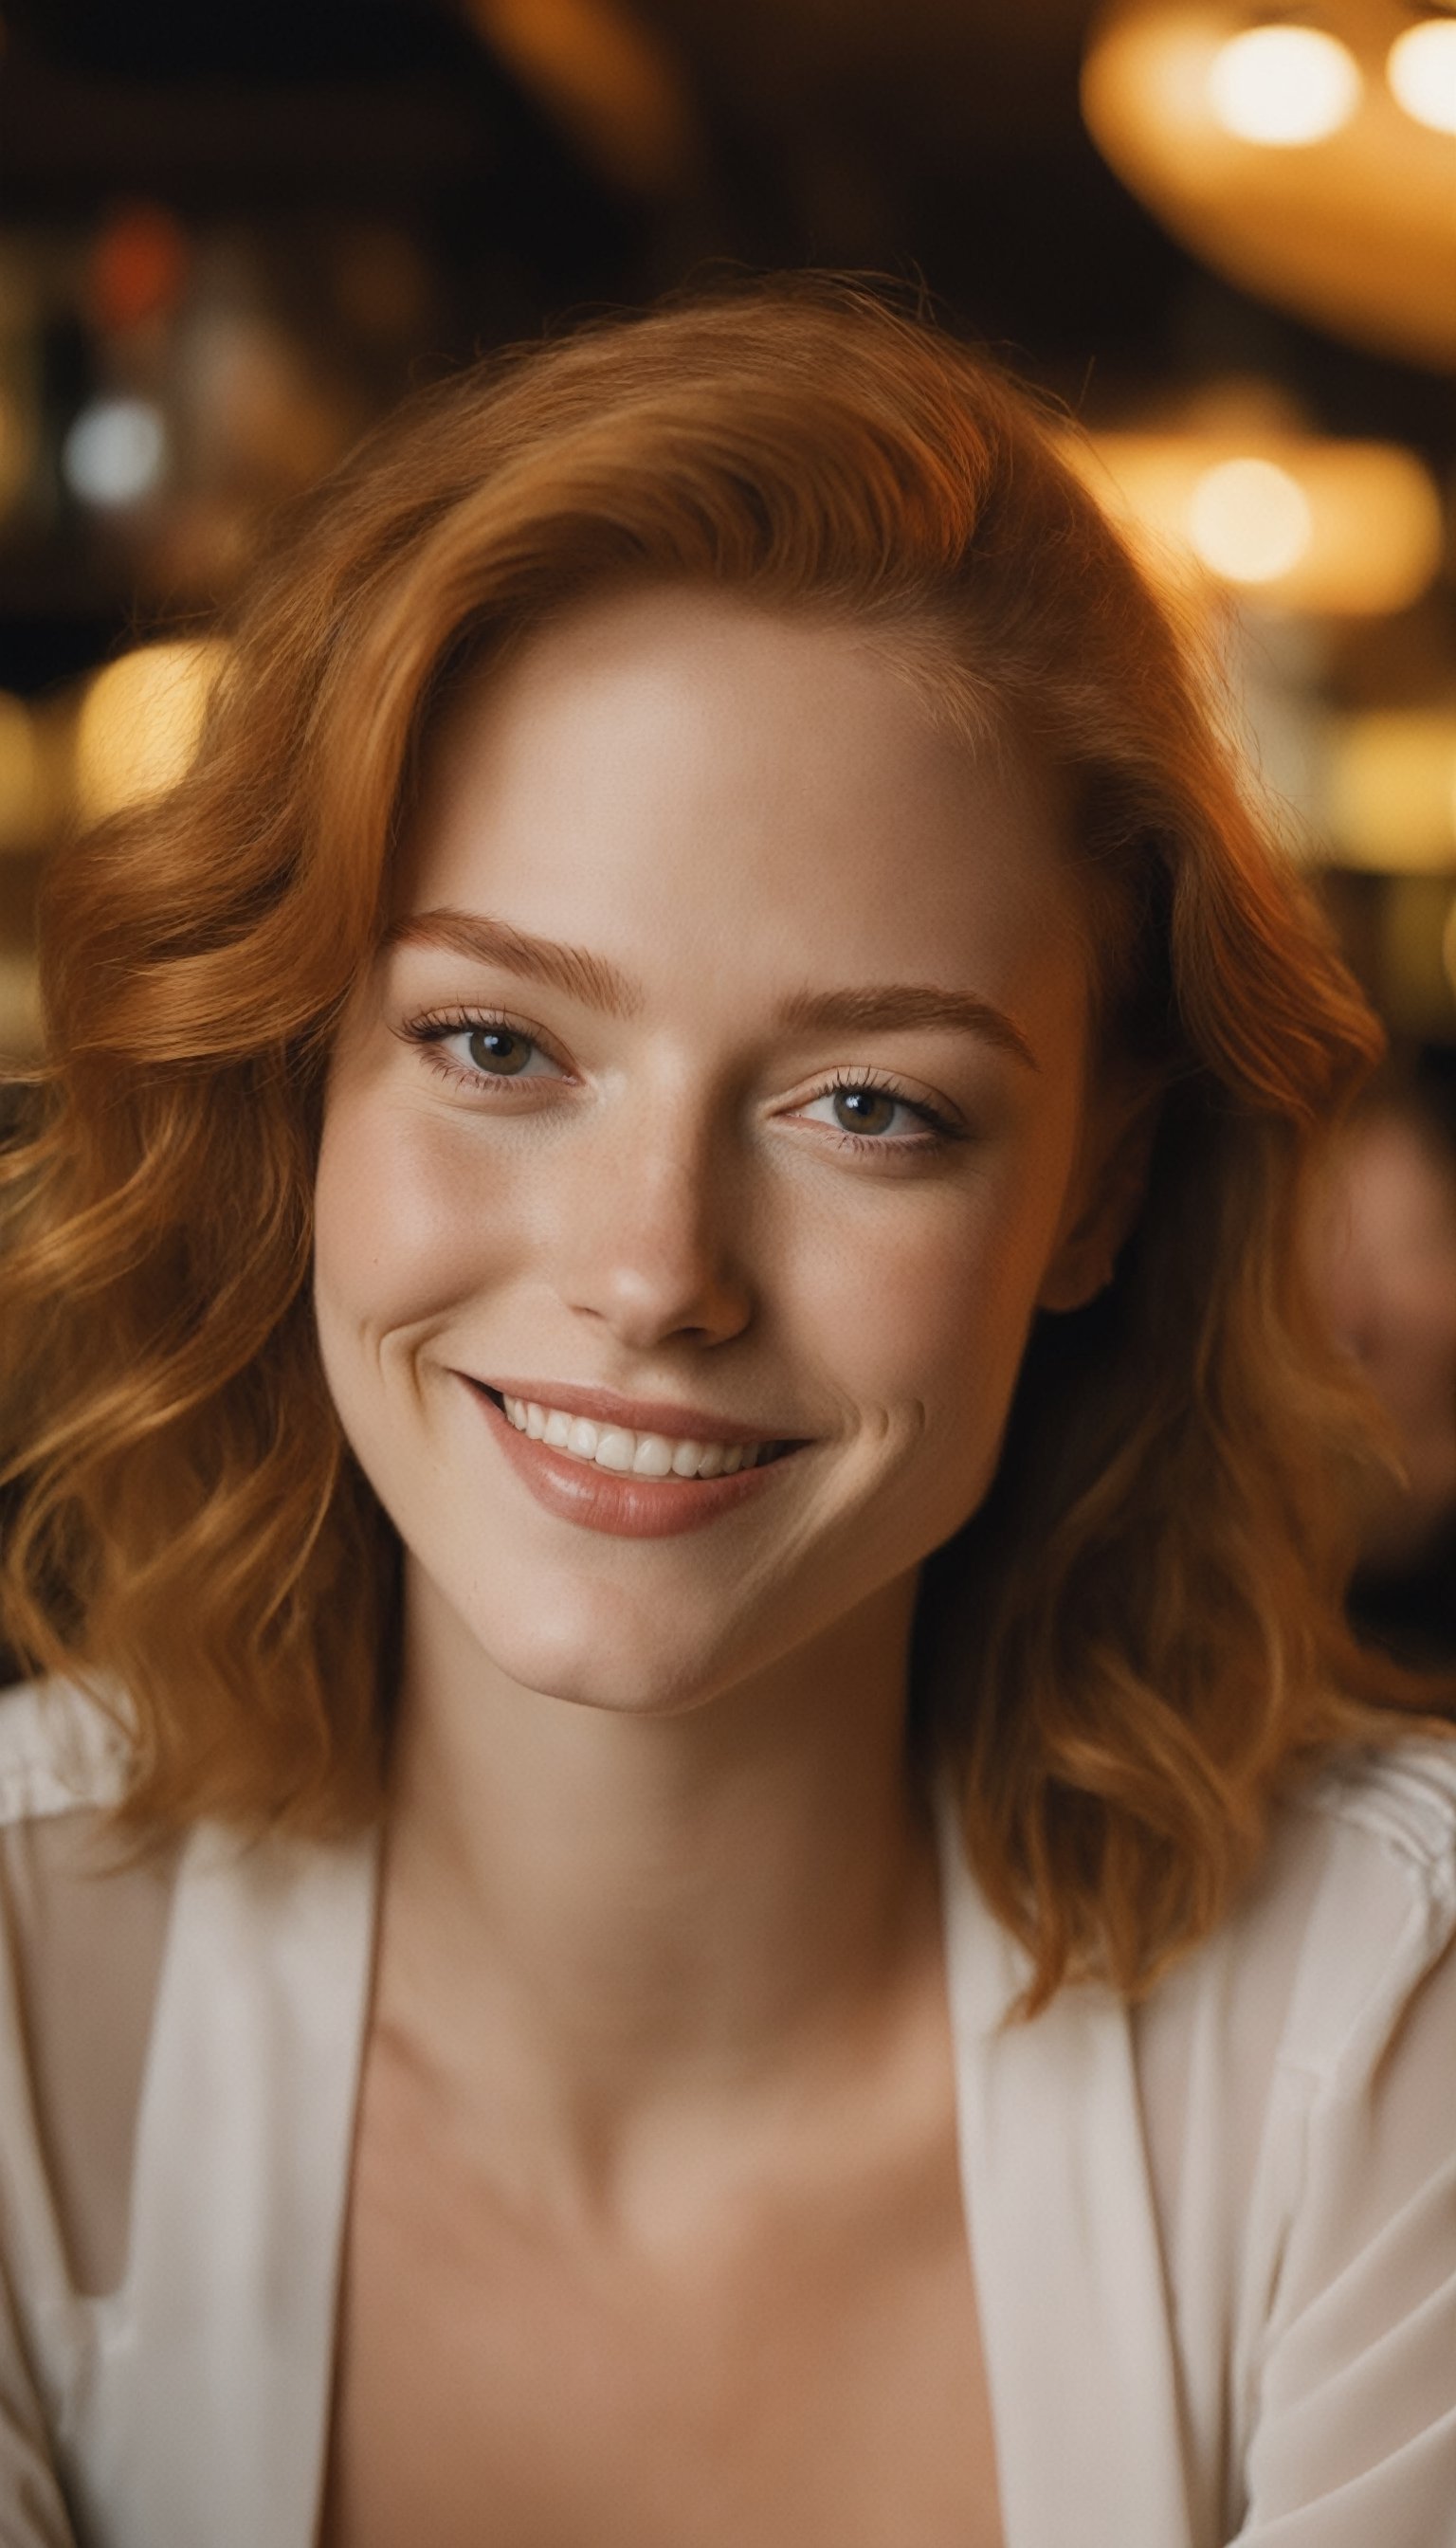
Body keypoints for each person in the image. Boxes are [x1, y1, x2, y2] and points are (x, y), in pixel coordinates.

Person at [1, 278, 1453, 2548]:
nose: (655, 1271)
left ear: (1105, 1189)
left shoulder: (1390, 2025)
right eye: (498, 1047)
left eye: (870, 1104)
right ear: (296, 1077)